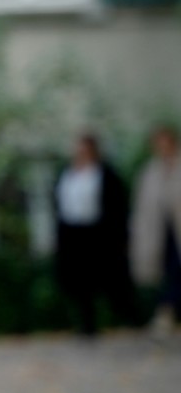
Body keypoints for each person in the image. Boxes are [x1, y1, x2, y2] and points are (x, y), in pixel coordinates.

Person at [52, 132, 138, 337]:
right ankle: (87, 324)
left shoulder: (105, 174)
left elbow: (117, 206)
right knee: (80, 282)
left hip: (100, 234)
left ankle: (130, 318)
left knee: (111, 279)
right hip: (74, 235)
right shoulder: (67, 174)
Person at [132, 123, 181, 338]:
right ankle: (166, 313)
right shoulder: (150, 171)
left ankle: (165, 312)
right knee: (169, 272)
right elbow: (143, 207)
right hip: (161, 232)